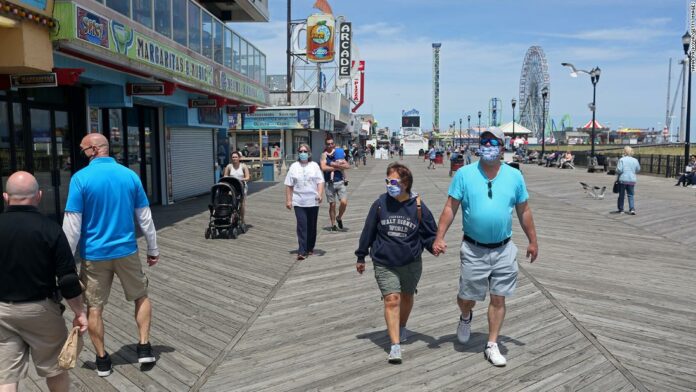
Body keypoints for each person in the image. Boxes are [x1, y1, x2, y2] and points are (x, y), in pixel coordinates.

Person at [433, 127, 539, 367]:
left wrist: (533, 241)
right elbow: (451, 207)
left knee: (498, 298)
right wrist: (440, 236)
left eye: (493, 143)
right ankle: (465, 315)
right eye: (484, 142)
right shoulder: (464, 174)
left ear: (502, 147)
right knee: (466, 297)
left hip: (504, 248)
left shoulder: (514, 176)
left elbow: (524, 210)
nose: (488, 146)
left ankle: (492, 344)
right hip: (473, 248)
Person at [61, 133, 159, 377]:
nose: (82, 154)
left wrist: (64, 260)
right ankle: (145, 347)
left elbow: (72, 225)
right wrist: (153, 248)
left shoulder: (80, 179)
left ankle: (103, 360)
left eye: (84, 150)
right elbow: (144, 217)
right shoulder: (129, 175)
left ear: (94, 149)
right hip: (126, 250)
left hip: (94, 255)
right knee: (140, 296)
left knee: (94, 307)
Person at [0, 172, 88, 392]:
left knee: (6, 375)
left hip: (1, 311)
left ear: (5, 197)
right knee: (55, 368)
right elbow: (67, 279)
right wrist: (79, 312)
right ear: (38, 196)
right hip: (40, 310)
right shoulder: (50, 228)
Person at [355, 163, 438, 364]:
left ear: (405, 183)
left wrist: (434, 246)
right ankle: (395, 346)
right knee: (392, 299)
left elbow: (429, 233)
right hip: (384, 261)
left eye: (393, 181)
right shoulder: (380, 204)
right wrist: (361, 256)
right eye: (387, 181)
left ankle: (402, 326)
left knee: (407, 297)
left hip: (411, 262)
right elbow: (368, 231)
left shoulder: (418, 205)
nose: (389, 185)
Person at [284, 144, 324, 260]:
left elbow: (320, 181)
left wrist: (320, 194)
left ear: (309, 153)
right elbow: (289, 185)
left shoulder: (314, 166)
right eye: (301, 151)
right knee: (302, 226)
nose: (303, 153)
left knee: (311, 226)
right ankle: (301, 251)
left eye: (305, 151)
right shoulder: (294, 166)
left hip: (313, 201)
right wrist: (288, 200)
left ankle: (310, 247)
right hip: (299, 201)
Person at [321, 137, 351, 231]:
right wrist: (338, 167)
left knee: (344, 202)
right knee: (332, 205)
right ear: (326, 145)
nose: (330, 145)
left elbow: (347, 165)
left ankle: (339, 217)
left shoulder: (338, 152)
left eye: (332, 143)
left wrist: (335, 165)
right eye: (328, 144)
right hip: (329, 183)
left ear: (334, 144)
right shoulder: (323, 155)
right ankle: (333, 224)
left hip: (340, 181)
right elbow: (324, 168)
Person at [223, 151, 251, 225]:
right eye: (233, 157)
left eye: (236, 157)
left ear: (239, 158)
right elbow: (225, 176)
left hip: (241, 185)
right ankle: (230, 216)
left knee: (241, 203)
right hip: (231, 186)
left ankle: (242, 219)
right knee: (230, 201)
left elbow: (247, 177)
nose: (234, 158)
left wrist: (240, 179)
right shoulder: (229, 166)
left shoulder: (243, 166)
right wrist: (229, 178)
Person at [615, 146, 641, 215]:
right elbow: (638, 169)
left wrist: (617, 171)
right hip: (632, 180)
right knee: (631, 195)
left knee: (621, 195)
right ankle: (632, 209)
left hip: (623, 179)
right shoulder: (635, 160)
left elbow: (619, 170)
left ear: (624, 152)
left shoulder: (622, 159)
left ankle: (621, 209)